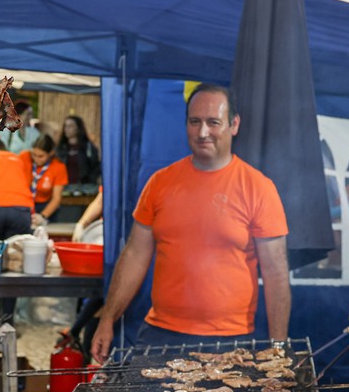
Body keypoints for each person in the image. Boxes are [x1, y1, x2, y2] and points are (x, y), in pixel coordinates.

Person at [90, 84, 290, 364]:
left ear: (234, 125)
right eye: (195, 122)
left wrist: (277, 348)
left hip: (229, 340)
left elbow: (276, 273)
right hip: (161, 334)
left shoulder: (258, 188)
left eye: (213, 122)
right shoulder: (160, 183)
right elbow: (135, 255)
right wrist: (108, 318)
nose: (202, 132)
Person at [20, 133, 68, 227]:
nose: (36, 159)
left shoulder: (58, 167)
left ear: (50, 153)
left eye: (41, 156)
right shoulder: (24, 157)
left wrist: (42, 216)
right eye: (34, 155)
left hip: (45, 206)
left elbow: (56, 198)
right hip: (24, 203)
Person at [55, 114, 100, 184]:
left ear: (78, 128)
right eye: (65, 126)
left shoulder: (88, 147)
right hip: (63, 186)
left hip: (83, 187)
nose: (67, 129)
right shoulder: (60, 148)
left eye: (70, 126)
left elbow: (95, 167)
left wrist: (90, 180)